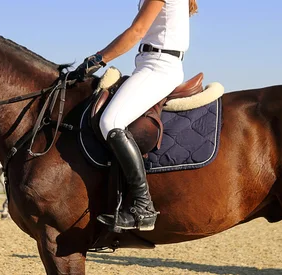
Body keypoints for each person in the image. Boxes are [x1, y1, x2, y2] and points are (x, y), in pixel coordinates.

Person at [74, 0, 198, 232]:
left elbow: (137, 31)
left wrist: (97, 60)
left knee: (110, 122)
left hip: (159, 67)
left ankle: (143, 206)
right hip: (150, 64)